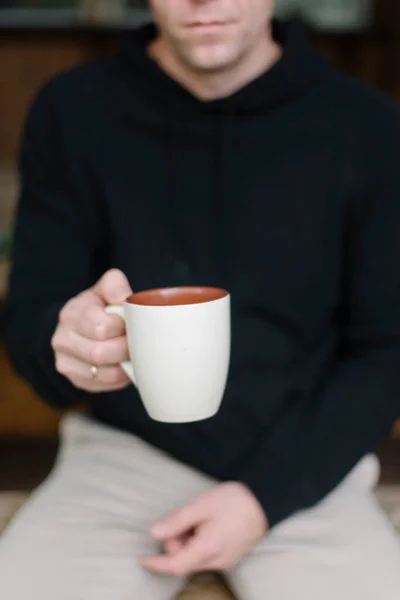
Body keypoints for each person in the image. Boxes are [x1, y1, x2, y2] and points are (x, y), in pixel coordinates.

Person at [1, 0, 400, 598]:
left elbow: (388, 348)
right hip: (122, 452)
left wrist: (264, 497)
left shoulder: (368, 125)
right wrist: (70, 346)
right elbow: (33, 316)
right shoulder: (73, 109)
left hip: (311, 452)